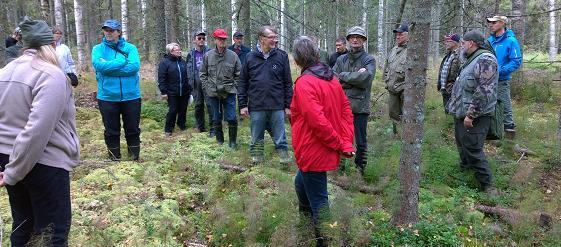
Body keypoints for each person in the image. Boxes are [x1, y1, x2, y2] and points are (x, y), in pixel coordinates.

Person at [0, 17, 80, 246]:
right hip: (43, 163)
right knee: (52, 234)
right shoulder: (51, 75)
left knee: (23, 225)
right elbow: (37, 130)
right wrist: (14, 171)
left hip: (9, 161)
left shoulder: (4, 72)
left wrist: (8, 167)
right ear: (50, 45)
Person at [290, 36, 355, 247]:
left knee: (319, 201)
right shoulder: (331, 78)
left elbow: (318, 122)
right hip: (319, 147)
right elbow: (346, 111)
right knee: (301, 184)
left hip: (313, 149)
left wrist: (340, 143)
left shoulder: (305, 83)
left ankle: (325, 241)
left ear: (297, 60)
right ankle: (306, 226)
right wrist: (344, 142)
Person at [447, 30, 499, 196]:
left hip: (476, 116)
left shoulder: (486, 59)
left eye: (464, 42)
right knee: (463, 147)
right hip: (462, 113)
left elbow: (484, 90)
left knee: (473, 149)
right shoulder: (471, 59)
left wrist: (471, 115)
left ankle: (488, 186)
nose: (461, 45)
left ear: (472, 43)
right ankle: (467, 179)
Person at [238, 26, 293, 164]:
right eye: (271, 37)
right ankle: (257, 163)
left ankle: (285, 161)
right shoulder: (250, 57)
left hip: (277, 105)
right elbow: (242, 82)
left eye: (275, 37)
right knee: (256, 137)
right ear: (262, 39)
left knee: (281, 137)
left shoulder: (282, 56)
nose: (275, 40)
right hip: (257, 105)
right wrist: (243, 104)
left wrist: (288, 105)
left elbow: (287, 82)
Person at [92, 19, 141, 161]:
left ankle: (134, 156)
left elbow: (134, 68)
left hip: (131, 96)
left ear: (119, 32)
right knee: (111, 130)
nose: (108, 33)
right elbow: (99, 67)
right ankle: (114, 157)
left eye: (111, 30)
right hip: (107, 97)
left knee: (132, 128)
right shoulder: (97, 49)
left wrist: (108, 67)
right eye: (106, 30)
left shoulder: (131, 48)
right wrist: (122, 61)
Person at [332, 26, 376, 176]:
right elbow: (332, 79)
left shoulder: (369, 59)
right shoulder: (340, 59)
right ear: (348, 40)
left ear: (363, 40)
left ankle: (360, 171)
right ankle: (339, 167)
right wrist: (353, 77)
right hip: (340, 107)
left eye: (359, 37)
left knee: (361, 141)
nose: (355, 39)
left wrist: (343, 76)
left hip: (359, 107)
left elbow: (365, 79)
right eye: (352, 37)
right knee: (339, 137)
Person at [200, 29, 242, 149]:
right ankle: (220, 140)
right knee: (216, 118)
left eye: (224, 39)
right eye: (220, 39)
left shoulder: (233, 56)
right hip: (212, 92)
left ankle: (233, 142)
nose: (222, 41)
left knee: (232, 118)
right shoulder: (208, 56)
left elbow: (239, 74)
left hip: (229, 92)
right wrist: (207, 87)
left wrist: (234, 85)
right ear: (215, 40)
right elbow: (203, 74)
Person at [487, 15, 522, 139]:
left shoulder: (511, 41)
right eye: (490, 23)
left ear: (502, 23)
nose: (491, 25)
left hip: (501, 81)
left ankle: (509, 140)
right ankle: (492, 134)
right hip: (486, 82)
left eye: (494, 22)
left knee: (505, 108)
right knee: (487, 106)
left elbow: (516, 61)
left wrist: (499, 71)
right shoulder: (489, 41)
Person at [158, 42, 190, 137]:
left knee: (183, 109)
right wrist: (163, 91)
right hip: (172, 92)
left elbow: (187, 76)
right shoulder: (164, 63)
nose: (179, 51)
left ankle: (181, 125)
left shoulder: (183, 62)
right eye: (176, 50)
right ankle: (168, 129)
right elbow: (161, 78)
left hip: (184, 91)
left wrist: (190, 89)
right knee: (173, 110)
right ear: (171, 52)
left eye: (179, 49)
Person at [384, 22, 409, 135]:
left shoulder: (411, 51)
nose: (398, 36)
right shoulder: (394, 50)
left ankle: (406, 137)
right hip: (392, 89)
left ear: (409, 35)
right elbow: (388, 68)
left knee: (406, 115)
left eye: (401, 34)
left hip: (404, 91)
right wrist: (386, 80)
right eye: (397, 34)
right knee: (393, 114)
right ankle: (396, 135)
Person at [187, 31, 214, 135]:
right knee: (198, 106)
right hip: (195, 84)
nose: (202, 40)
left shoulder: (210, 52)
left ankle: (213, 128)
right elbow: (189, 70)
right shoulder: (190, 54)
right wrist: (190, 84)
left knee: (210, 105)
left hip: (208, 83)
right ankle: (200, 127)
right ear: (194, 40)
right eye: (199, 38)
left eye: (203, 38)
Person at [437, 33, 462, 113]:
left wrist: (454, 87)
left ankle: (452, 124)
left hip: (453, 89)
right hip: (445, 88)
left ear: (455, 43)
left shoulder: (461, 55)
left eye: (448, 41)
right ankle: (447, 123)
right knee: (447, 111)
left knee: (454, 111)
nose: (445, 43)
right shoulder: (448, 54)